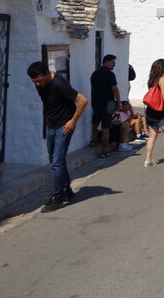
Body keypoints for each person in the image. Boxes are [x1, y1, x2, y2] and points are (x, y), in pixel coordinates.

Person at [27, 61, 88, 213]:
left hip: (63, 126)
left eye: (39, 80)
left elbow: (83, 101)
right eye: (34, 81)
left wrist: (73, 121)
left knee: (57, 163)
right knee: (54, 161)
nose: (38, 84)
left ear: (47, 73)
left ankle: (58, 196)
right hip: (51, 126)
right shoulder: (40, 84)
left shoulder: (60, 84)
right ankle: (66, 189)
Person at [90, 54, 122, 159]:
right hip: (107, 104)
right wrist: (119, 102)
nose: (114, 65)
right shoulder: (110, 74)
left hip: (95, 103)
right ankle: (104, 151)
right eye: (113, 62)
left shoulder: (94, 74)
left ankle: (93, 141)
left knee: (96, 121)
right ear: (106, 62)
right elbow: (115, 89)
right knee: (106, 127)